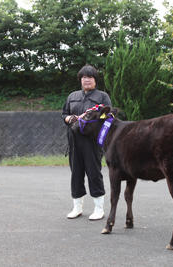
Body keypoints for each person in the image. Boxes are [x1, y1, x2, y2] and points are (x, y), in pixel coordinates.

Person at [61, 65, 112, 220]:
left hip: (92, 142)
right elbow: (64, 114)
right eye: (84, 77)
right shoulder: (72, 96)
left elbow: (108, 118)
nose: (87, 80)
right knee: (76, 174)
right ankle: (77, 207)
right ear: (80, 80)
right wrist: (69, 118)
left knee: (94, 173)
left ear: (95, 80)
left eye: (90, 77)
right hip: (74, 141)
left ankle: (99, 208)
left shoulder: (102, 97)